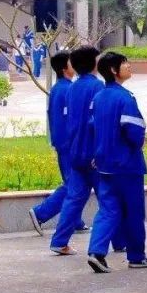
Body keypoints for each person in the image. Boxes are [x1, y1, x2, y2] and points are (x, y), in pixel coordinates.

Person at [49, 45, 123, 256]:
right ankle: (118, 242)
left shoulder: (72, 87)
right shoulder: (99, 87)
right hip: (94, 154)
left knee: (74, 198)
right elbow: (98, 121)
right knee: (110, 201)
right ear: (94, 63)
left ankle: (59, 240)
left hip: (76, 152)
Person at [86, 52, 147, 272]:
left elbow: (92, 127)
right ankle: (136, 256)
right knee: (133, 211)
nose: (129, 66)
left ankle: (96, 251)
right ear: (114, 70)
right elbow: (133, 131)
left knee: (108, 210)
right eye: (125, 64)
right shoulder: (125, 98)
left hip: (105, 164)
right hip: (127, 165)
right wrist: (141, 141)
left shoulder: (99, 97)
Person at [28, 51, 86, 235]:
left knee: (75, 183)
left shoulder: (58, 88)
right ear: (64, 68)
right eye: (71, 63)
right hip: (70, 144)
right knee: (74, 184)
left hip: (62, 143)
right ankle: (41, 213)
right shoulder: (69, 89)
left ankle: (75, 220)